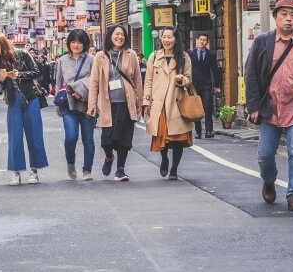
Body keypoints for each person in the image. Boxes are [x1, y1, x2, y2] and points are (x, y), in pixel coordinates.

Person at [244, 0, 293, 212]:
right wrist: (253, 106)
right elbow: (250, 74)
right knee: (265, 154)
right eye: (284, 15)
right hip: (269, 107)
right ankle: (269, 180)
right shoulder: (262, 41)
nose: (288, 20)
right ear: (276, 18)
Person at [0, 33, 49, 186]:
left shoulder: (22, 53)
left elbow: (37, 71)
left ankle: (34, 171)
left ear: (3, 43)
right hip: (13, 100)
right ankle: (15, 172)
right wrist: (1, 79)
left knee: (34, 134)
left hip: (31, 98)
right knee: (14, 137)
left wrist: (19, 75)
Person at [87, 25, 142, 182]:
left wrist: (142, 102)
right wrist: (92, 105)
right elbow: (94, 82)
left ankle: (120, 170)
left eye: (123, 34)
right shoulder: (100, 56)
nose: (120, 37)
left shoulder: (131, 55)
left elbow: (137, 80)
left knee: (124, 139)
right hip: (107, 104)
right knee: (107, 140)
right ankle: (109, 156)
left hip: (126, 103)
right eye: (117, 34)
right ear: (110, 36)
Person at [143, 28, 194, 181]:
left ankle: (174, 169)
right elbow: (149, 81)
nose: (166, 40)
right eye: (164, 37)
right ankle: (164, 159)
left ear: (176, 39)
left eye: (169, 37)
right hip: (159, 103)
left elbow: (189, 78)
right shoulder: (154, 57)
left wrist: (182, 80)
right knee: (161, 137)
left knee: (177, 138)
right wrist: (146, 101)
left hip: (176, 103)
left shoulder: (184, 57)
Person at [55, 29, 96, 181]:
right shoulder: (62, 60)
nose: (76, 45)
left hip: (87, 103)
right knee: (71, 137)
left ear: (85, 44)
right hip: (68, 103)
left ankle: (87, 170)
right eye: (73, 42)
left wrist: (82, 92)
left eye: (79, 42)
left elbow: (95, 80)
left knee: (88, 139)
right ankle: (70, 163)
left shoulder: (92, 59)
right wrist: (57, 104)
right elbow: (59, 82)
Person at [188, 33, 222, 139]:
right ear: (196, 40)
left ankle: (209, 131)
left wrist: (217, 85)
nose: (202, 41)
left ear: (207, 42)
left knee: (207, 107)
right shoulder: (190, 53)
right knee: (197, 109)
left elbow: (215, 70)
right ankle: (198, 131)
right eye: (200, 39)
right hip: (193, 85)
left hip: (206, 85)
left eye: (204, 40)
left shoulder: (210, 54)